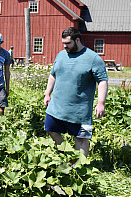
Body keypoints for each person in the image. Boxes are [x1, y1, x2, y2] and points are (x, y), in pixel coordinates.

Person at [43, 27, 108, 157]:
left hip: (79, 110)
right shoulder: (61, 55)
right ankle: (65, 154)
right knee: (50, 129)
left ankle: (80, 167)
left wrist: (101, 103)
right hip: (57, 106)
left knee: (81, 139)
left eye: (68, 43)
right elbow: (53, 75)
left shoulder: (93, 58)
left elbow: (102, 81)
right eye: (63, 43)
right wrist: (47, 93)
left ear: (77, 40)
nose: (65, 46)